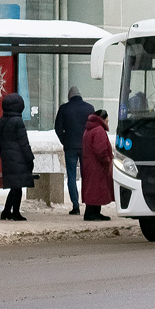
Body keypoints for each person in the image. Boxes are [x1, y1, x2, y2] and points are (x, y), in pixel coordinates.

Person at [54, 86, 94, 216]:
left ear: (69, 97)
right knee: (87, 176)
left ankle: (75, 206)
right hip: (85, 147)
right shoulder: (89, 108)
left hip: (70, 146)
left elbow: (58, 128)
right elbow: (93, 127)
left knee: (71, 176)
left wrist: (65, 140)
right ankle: (89, 203)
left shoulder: (64, 109)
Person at [0, 92, 34, 221]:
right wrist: (30, 158)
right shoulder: (18, 121)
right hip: (18, 158)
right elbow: (24, 143)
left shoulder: (2, 120)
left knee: (15, 186)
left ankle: (7, 211)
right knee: (17, 187)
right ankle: (15, 212)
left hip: (8, 157)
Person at [81, 108, 115, 221]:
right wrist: (107, 160)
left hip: (90, 164)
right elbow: (100, 150)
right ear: (103, 120)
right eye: (107, 120)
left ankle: (94, 212)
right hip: (97, 166)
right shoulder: (98, 130)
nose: (107, 123)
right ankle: (92, 213)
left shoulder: (90, 129)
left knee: (93, 189)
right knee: (96, 189)